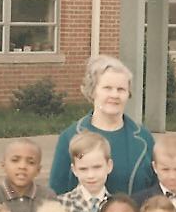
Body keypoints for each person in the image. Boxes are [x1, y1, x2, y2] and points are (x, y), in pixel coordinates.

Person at [49, 54, 156, 196]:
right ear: (93, 91)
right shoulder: (70, 137)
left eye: (121, 89)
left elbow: (156, 193)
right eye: (107, 88)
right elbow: (56, 193)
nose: (115, 95)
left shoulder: (144, 138)